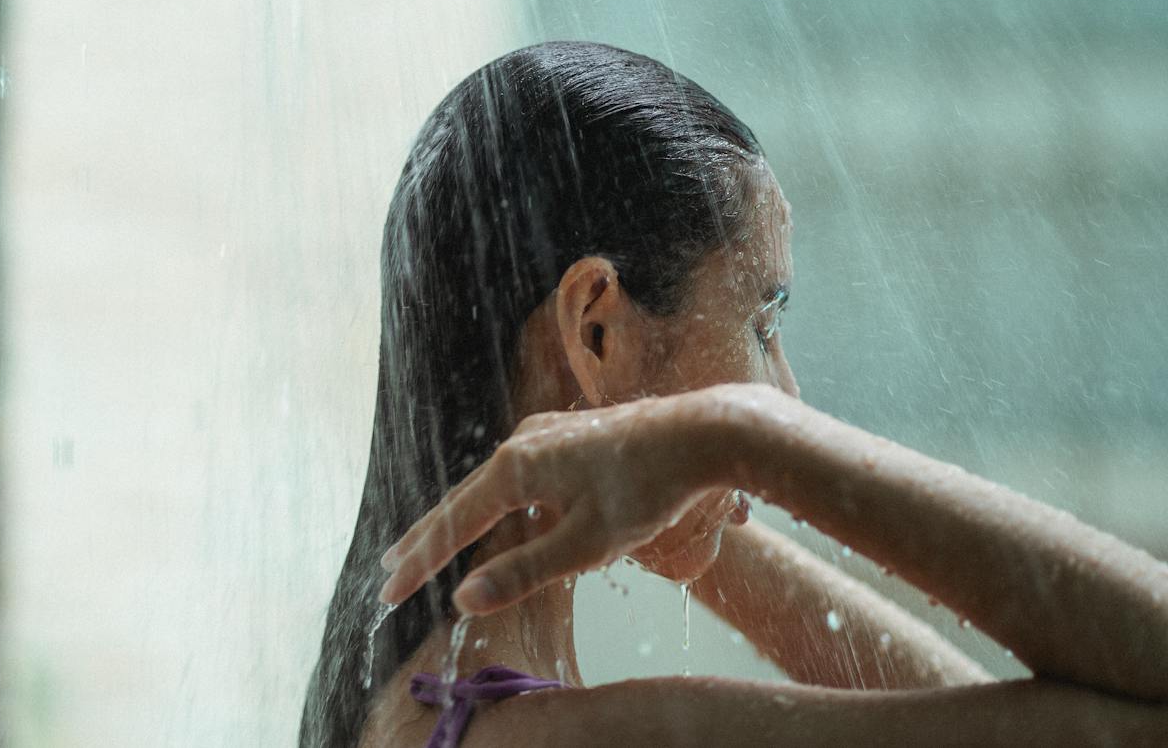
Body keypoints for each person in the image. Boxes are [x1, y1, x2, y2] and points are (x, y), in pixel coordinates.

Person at [298, 42, 1168, 747]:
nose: (787, 390)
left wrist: (654, 483)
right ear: (596, 329)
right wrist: (737, 436)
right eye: (762, 321)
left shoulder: (432, 702)